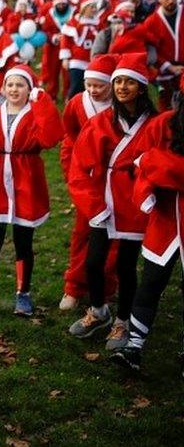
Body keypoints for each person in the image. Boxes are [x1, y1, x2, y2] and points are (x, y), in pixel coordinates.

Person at [67, 52, 157, 349]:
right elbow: (80, 162)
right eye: (117, 81)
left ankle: (122, 321)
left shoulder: (154, 124)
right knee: (93, 262)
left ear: (141, 87)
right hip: (104, 200)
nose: (121, 87)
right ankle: (98, 310)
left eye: (129, 82)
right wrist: (93, 203)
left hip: (134, 202)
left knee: (126, 265)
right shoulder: (104, 121)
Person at [0, 64, 63, 318]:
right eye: (10, 84)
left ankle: (23, 294)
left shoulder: (35, 113)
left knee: (23, 240)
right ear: (3, 88)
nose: (14, 89)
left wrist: (43, 103)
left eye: (20, 84)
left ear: (30, 89)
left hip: (26, 178)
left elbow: (51, 137)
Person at [111, 82, 184, 373]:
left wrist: (160, 165)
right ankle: (134, 346)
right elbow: (140, 161)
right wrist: (146, 188)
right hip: (165, 218)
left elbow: (152, 161)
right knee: (152, 281)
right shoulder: (164, 123)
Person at [58, 54, 118, 311]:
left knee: (115, 236)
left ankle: (106, 287)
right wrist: (71, 169)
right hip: (86, 180)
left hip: (114, 179)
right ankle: (74, 286)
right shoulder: (76, 103)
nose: (93, 90)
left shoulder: (120, 106)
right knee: (83, 233)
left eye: (99, 86)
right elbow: (69, 135)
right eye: (89, 85)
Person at [141, 0, 183, 111]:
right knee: (167, 112)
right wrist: (168, 66)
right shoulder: (151, 21)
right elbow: (150, 51)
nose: (171, 1)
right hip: (164, 73)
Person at [60, 0, 103, 100]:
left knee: (90, 87)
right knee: (76, 85)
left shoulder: (98, 23)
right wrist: (65, 58)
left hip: (93, 60)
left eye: (95, 7)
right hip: (77, 60)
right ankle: (71, 106)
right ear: (84, 9)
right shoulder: (74, 23)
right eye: (91, 7)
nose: (94, 10)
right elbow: (65, 40)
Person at [36, 0, 73, 101]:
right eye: (59, 3)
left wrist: (67, 36)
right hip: (53, 47)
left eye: (63, 3)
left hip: (69, 47)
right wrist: (53, 37)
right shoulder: (50, 15)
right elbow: (44, 31)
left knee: (67, 73)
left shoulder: (73, 13)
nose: (61, 6)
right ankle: (52, 94)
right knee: (52, 71)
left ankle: (68, 94)